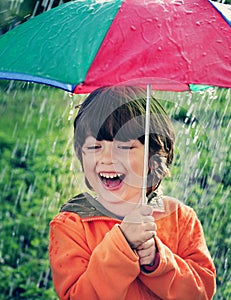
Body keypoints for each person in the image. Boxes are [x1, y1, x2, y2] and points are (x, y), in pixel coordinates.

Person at [49, 86, 216, 299]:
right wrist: (122, 244)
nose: (107, 159)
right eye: (94, 147)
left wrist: (157, 260)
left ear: (153, 160)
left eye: (125, 147)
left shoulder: (180, 219)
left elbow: (201, 292)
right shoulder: (72, 226)